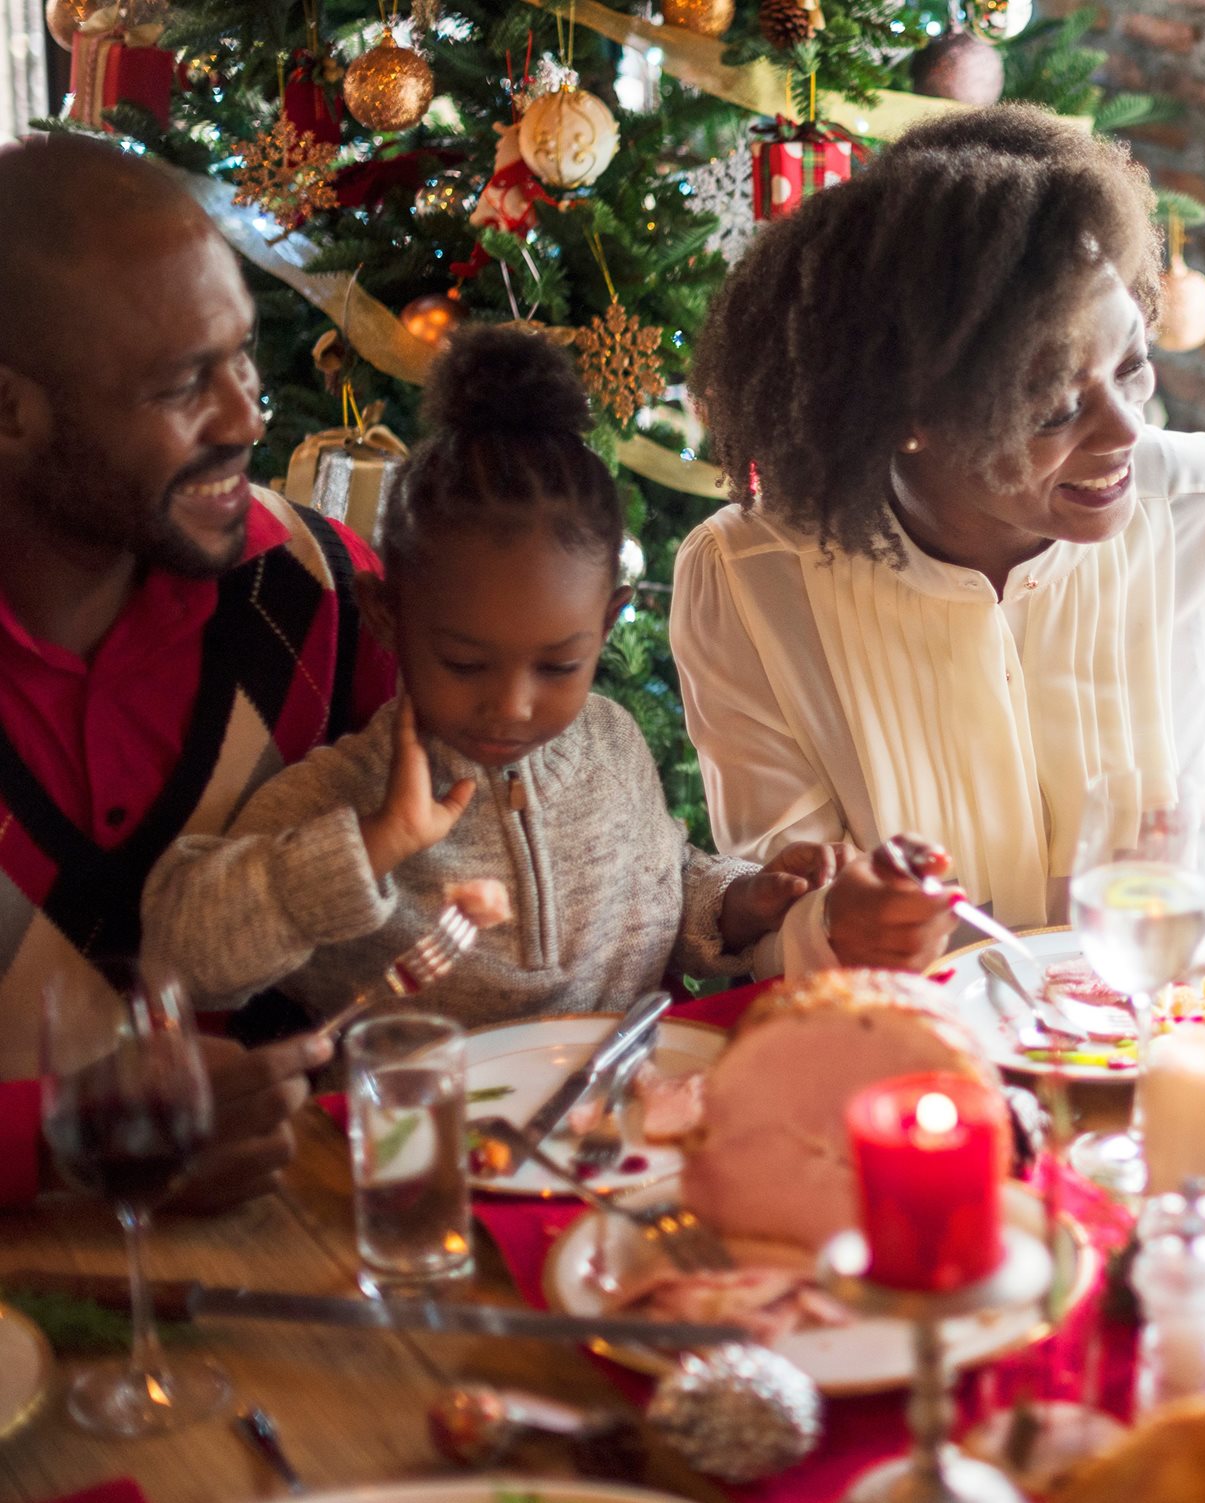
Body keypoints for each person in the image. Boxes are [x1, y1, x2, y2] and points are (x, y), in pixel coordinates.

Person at [671, 105, 1205, 975]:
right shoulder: (750, 582)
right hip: (921, 1066)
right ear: (908, 416)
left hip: (1171, 1036)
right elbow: (776, 916)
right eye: (1057, 408)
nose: (1124, 433)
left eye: (1132, 367)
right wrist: (833, 924)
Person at [143, 327, 952, 1023]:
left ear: (606, 624)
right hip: (432, 1158)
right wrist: (370, 846)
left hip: (625, 1138)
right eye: (464, 662)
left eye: (559, 665)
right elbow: (182, 954)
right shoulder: (339, 798)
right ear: (388, 618)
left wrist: (745, 901)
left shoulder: (612, 746)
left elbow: (666, 881)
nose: (511, 705)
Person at [0, 136, 395, 1208]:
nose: (247, 419)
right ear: (11, 413)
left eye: (243, 361)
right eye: (182, 386)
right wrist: (65, 1137)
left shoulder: (321, 593)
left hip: (317, 1275)